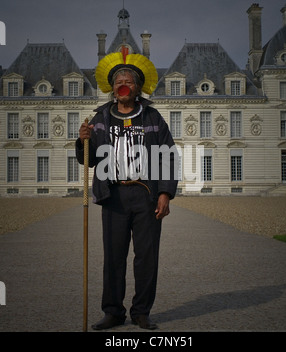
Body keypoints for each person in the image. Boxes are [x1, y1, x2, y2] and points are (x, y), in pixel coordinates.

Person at [76, 48, 178, 330]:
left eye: (129, 81)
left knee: (146, 257)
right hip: (113, 195)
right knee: (113, 256)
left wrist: (165, 193)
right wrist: (82, 140)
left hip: (146, 193)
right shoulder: (98, 118)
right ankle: (113, 311)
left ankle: (141, 311)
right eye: (119, 80)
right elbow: (89, 159)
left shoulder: (153, 117)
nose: (124, 84)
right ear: (112, 88)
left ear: (137, 88)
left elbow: (168, 155)